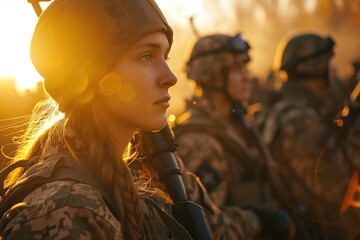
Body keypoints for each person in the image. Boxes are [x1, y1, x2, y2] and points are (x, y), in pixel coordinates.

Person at [0, 0, 270, 239]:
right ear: (94, 78)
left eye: (165, 56)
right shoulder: (64, 211)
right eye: (146, 56)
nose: (170, 77)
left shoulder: (144, 171)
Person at [173, 33, 294, 240]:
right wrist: (257, 220)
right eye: (238, 70)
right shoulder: (200, 141)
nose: (247, 77)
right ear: (213, 76)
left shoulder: (235, 126)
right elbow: (206, 226)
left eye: (245, 68)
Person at [254, 32, 360, 240]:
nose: (333, 69)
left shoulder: (293, 110)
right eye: (329, 62)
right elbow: (342, 188)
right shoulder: (298, 121)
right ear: (315, 67)